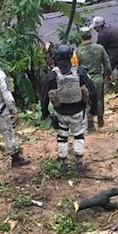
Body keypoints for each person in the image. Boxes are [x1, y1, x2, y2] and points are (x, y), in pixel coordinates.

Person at [40, 44, 98, 175]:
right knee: (79, 135)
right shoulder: (80, 71)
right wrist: (94, 109)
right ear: (71, 56)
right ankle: (79, 162)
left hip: (60, 112)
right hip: (78, 110)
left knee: (62, 136)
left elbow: (44, 96)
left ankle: (63, 163)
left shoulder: (52, 75)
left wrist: (44, 112)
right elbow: (92, 91)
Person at [74, 26, 111, 128]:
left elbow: (75, 67)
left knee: (87, 100)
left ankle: (90, 124)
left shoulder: (77, 51)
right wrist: (108, 75)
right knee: (99, 99)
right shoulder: (100, 48)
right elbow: (107, 64)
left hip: (85, 80)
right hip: (98, 78)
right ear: (91, 36)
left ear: (81, 37)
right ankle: (100, 119)